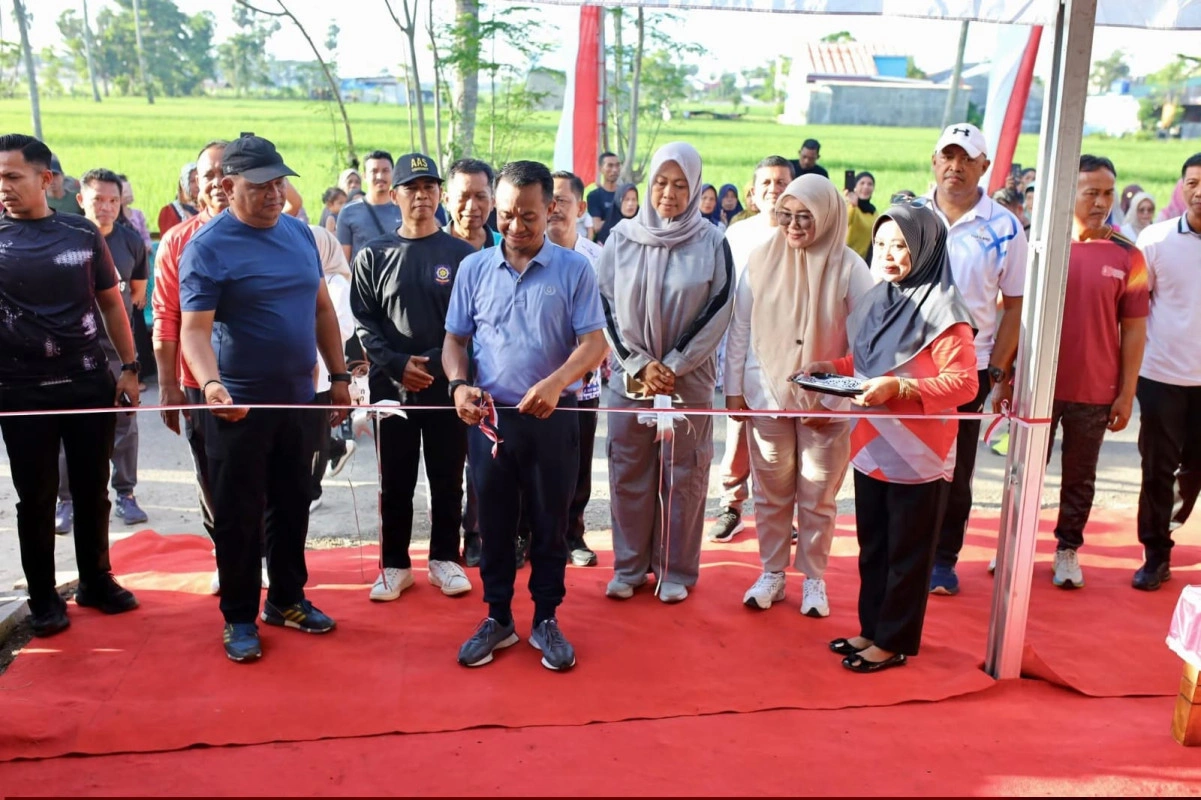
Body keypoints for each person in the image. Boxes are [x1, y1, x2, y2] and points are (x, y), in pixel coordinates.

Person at [179, 132, 350, 663]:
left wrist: (340, 376)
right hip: (239, 408)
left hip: (301, 402)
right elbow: (193, 331)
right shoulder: (207, 248)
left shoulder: (301, 235)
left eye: (280, 182)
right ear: (228, 187)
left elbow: (323, 310)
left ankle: (287, 599)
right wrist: (211, 385)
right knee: (237, 514)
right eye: (261, 185)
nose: (275, 193)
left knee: (293, 503)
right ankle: (238, 616)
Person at [443, 159, 607, 671]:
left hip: (554, 417)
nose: (515, 227)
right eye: (507, 215)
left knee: (550, 523)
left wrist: (557, 383)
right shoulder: (473, 269)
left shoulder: (575, 269)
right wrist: (457, 385)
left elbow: (594, 343)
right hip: (491, 420)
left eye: (528, 216)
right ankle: (497, 617)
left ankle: (547, 619)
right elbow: (454, 340)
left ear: (551, 209)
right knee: (492, 523)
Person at [806, 202, 978, 672]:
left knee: (908, 552)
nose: (887, 254)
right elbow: (864, 366)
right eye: (881, 243)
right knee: (875, 546)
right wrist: (829, 370)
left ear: (924, 249)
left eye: (900, 245)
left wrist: (901, 389)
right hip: (870, 446)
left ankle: (895, 640)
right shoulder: (879, 299)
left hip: (919, 456)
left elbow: (965, 384)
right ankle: (870, 629)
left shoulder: (946, 313)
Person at [0, 134, 142, 638]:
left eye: (13, 176)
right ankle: (42, 599)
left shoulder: (82, 234)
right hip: (19, 393)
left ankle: (96, 581)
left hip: (87, 383)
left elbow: (110, 304)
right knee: (35, 498)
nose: (5, 188)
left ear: (48, 180)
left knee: (91, 490)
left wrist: (129, 366)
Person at [725, 174, 874, 616]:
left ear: (827, 217)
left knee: (818, 495)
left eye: (804, 217)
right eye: (786, 216)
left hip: (826, 405)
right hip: (767, 394)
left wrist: (830, 399)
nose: (793, 226)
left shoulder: (850, 267)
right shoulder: (760, 259)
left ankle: (814, 579)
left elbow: (864, 344)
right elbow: (740, 330)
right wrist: (734, 391)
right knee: (770, 490)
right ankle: (772, 572)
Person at [599, 142, 735, 604]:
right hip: (630, 378)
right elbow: (605, 306)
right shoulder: (621, 238)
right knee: (628, 471)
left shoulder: (713, 241)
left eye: (680, 185)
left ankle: (675, 569)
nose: (669, 194)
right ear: (648, 185)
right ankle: (630, 567)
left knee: (685, 475)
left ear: (695, 188)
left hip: (687, 380)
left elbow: (720, 307)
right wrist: (638, 363)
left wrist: (674, 364)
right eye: (661, 183)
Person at [352, 153, 477, 602]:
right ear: (395, 194)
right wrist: (397, 363)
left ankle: (445, 558)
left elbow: (470, 323)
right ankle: (394, 564)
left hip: (447, 387)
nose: (421, 196)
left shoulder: (463, 256)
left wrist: (433, 362)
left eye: (429, 187)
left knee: (447, 478)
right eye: (411, 187)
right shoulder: (374, 255)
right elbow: (364, 321)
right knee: (396, 481)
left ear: (439, 194)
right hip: (393, 390)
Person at [925, 123, 1028, 596]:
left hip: (970, 367)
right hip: (908, 364)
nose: (956, 166)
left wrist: (998, 370)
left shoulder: (1005, 227)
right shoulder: (908, 215)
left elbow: (1015, 306)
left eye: (966, 158)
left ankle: (943, 558)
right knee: (900, 460)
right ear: (934, 161)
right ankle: (904, 550)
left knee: (955, 466)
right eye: (948, 156)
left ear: (984, 165)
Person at [1039, 155, 1149, 590]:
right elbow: (1013, 313)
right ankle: (1011, 543)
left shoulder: (1129, 256)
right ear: (1070, 191)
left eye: (1108, 192)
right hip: (1039, 387)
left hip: (1095, 388)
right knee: (1022, 471)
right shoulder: (1041, 246)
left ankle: (1067, 549)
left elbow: (1135, 330)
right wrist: (1006, 376)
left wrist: (1126, 393)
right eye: (1092, 192)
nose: (1102, 201)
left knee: (1080, 475)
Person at [152, 139, 234, 594]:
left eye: (227, 172)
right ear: (196, 187)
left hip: (264, 382)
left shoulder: (278, 232)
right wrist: (169, 385)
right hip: (200, 386)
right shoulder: (177, 242)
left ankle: (264, 556)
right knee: (212, 476)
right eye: (208, 176)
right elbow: (165, 315)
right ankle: (227, 554)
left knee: (273, 477)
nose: (218, 183)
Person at [54, 168, 151, 534]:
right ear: (81, 200)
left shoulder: (131, 242)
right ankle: (66, 501)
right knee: (68, 429)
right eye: (99, 200)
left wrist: (130, 360)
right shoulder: (63, 239)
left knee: (125, 426)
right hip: (70, 352)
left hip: (117, 354)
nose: (107, 207)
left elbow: (137, 294)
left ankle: (125, 493)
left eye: (114, 200)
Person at [709, 155, 794, 544]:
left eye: (781, 183)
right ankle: (731, 504)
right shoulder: (737, 236)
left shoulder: (804, 232)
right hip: (742, 349)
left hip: (791, 354)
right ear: (753, 193)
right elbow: (723, 297)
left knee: (784, 441)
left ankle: (779, 512)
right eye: (767, 184)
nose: (774, 190)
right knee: (739, 429)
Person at [1132, 153, 1201, 591]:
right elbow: (1136, 309)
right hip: (1161, 375)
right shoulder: (1154, 240)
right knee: (1157, 466)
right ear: (1183, 187)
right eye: (1193, 182)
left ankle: (1170, 522)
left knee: (1194, 468)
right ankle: (1155, 553)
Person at [548, 170, 606, 568]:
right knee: (532, 463)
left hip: (584, 383)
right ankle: (529, 535)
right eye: (547, 200)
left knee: (577, 460)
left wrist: (591, 365)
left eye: (562, 200)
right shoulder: (526, 252)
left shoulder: (599, 259)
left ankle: (573, 534)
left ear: (581, 208)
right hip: (534, 381)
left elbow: (610, 323)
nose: (553, 208)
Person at [308, 222, 355, 514]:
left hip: (325, 371)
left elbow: (343, 327)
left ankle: (312, 491)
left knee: (315, 434)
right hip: (306, 369)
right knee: (313, 432)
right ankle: (337, 447)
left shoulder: (336, 283)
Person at [337, 150, 403, 263]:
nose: (380, 176)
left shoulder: (405, 208)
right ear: (364, 176)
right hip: (364, 278)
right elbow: (343, 262)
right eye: (374, 171)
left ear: (393, 174)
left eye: (385, 171)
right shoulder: (348, 212)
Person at [445, 158, 501, 250]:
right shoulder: (430, 244)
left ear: (492, 202)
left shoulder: (505, 247)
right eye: (463, 196)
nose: (471, 206)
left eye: (480, 197)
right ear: (447, 200)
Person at [157, 162, 199, 235]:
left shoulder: (212, 207)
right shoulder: (170, 212)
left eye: (199, 180)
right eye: (192, 181)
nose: (197, 185)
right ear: (183, 184)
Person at [845, 170, 877, 262]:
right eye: (862, 183)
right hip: (847, 260)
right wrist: (852, 205)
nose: (866, 187)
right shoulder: (850, 207)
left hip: (865, 261)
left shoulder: (874, 211)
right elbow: (845, 221)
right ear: (855, 187)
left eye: (870, 184)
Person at [587, 151, 621, 236]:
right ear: (601, 168)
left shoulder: (625, 194)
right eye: (610, 165)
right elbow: (597, 226)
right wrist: (624, 221)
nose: (614, 169)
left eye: (617, 165)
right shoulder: (594, 196)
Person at [119, 176, 153, 248]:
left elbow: (146, 237)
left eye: (129, 190)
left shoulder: (138, 214)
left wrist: (146, 246)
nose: (129, 194)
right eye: (125, 191)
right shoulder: (113, 217)